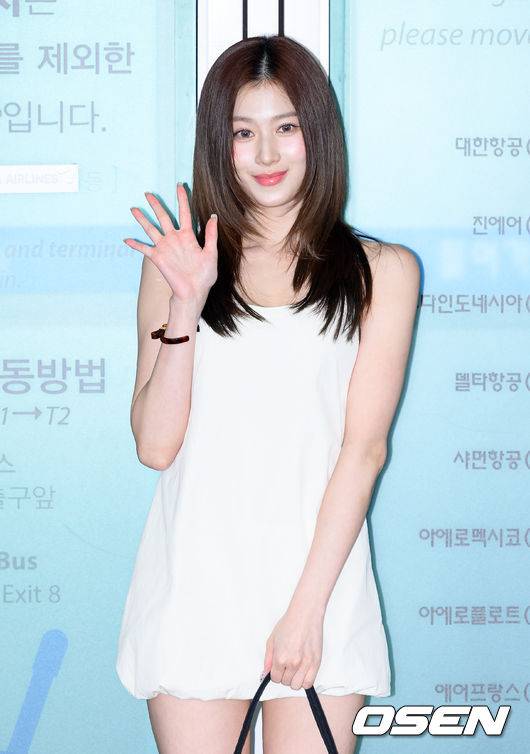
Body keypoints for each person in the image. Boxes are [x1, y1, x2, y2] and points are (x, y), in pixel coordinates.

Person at [116, 34, 419, 754]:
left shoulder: (382, 271)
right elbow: (155, 445)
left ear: (318, 133)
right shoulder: (176, 267)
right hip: (196, 582)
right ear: (218, 146)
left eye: (286, 127)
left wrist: (306, 612)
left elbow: (364, 450)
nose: (266, 154)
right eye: (242, 133)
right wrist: (188, 303)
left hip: (320, 587)